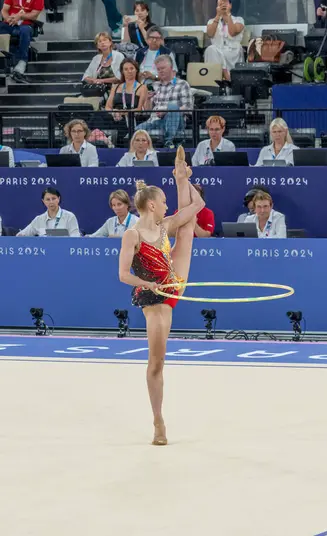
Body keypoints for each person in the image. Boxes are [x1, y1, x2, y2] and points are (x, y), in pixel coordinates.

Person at [119, 146, 205, 445]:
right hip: (153, 295)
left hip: (173, 281)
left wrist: (186, 180)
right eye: (164, 201)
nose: (167, 206)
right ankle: (158, 420)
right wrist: (149, 283)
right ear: (152, 205)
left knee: (187, 226)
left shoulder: (164, 226)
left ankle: (180, 174)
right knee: (157, 362)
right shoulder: (133, 235)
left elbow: (199, 204)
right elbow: (123, 275)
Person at [135, 55, 193, 148]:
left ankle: (168, 141)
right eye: (158, 69)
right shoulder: (155, 86)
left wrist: (166, 111)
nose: (160, 71)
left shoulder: (182, 84)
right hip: (155, 121)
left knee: (173, 106)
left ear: (171, 68)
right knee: (136, 131)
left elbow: (188, 108)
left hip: (175, 122)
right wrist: (148, 99)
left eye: (163, 68)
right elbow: (147, 111)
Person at [0, 0, 44, 75]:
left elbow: (34, 15)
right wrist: (7, 18)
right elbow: (4, 10)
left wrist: (20, 17)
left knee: (25, 31)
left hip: (26, 25)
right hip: (10, 24)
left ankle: (22, 61)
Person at [205, 0, 244, 81]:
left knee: (213, 51)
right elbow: (210, 34)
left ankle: (223, 79)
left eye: (225, 4)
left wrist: (227, 14)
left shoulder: (239, 20)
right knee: (211, 49)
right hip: (216, 51)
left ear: (230, 5)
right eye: (220, 5)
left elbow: (233, 32)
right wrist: (218, 16)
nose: (223, 6)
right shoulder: (211, 21)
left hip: (233, 52)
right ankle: (226, 76)